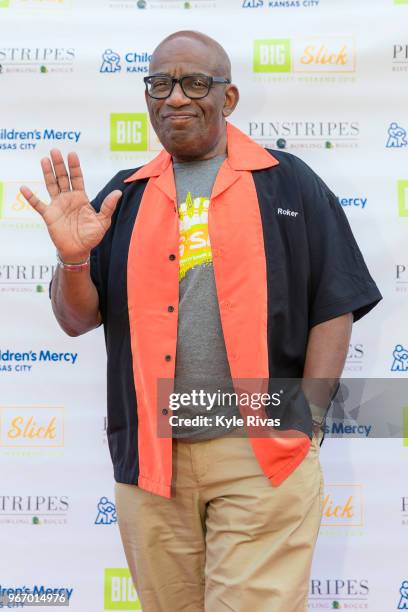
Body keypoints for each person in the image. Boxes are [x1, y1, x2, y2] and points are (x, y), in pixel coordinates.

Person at [20, 30, 382, 612]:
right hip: (153, 457)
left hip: (261, 450)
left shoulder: (289, 183)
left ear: (228, 97)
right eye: (160, 84)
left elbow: (335, 302)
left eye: (194, 83)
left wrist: (307, 417)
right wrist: (72, 257)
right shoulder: (124, 197)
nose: (175, 99)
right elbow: (75, 319)